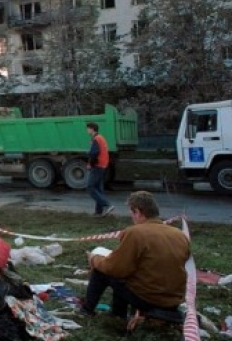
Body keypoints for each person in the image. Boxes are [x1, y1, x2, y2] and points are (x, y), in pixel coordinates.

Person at [80, 191, 190, 321]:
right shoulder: (179, 234)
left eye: (132, 213)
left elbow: (116, 268)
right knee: (123, 275)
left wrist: (94, 259)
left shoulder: (135, 232)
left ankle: (87, 311)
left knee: (103, 271)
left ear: (137, 212)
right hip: (173, 300)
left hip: (149, 298)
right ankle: (117, 315)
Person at [86, 122, 113, 216]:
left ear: (92, 129)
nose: (87, 130)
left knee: (90, 186)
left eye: (88, 128)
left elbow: (94, 153)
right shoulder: (101, 138)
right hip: (103, 165)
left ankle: (106, 205)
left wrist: (91, 164)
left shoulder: (96, 139)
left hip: (97, 165)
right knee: (98, 188)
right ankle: (99, 211)